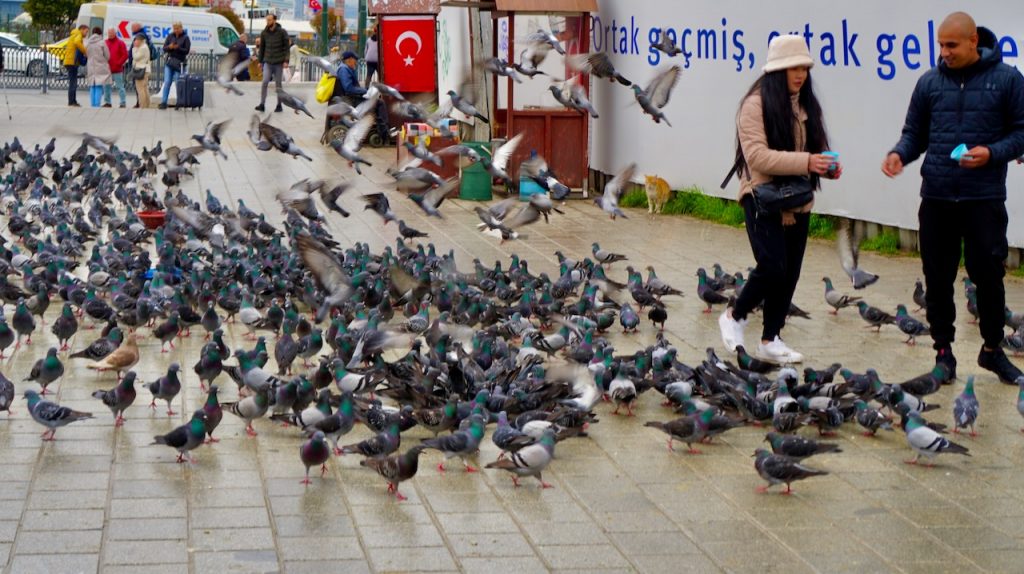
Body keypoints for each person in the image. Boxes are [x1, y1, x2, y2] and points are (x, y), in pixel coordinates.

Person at [883, 12, 1024, 384]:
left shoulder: (1007, 80)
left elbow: (1022, 133)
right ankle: (943, 355)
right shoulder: (929, 83)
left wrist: (992, 153)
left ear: (974, 40)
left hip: (984, 198)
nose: (944, 52)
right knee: (938, 279)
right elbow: (915, 133)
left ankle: (993, 350)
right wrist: (900, 153)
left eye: (952, 45)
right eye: (941, 45)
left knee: (989, 277)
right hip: (938, 197)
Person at [718, 35, 840, 364]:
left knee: (790, 274)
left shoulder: (806, 103)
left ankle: (771, 339)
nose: (800, 74)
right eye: (792, 68)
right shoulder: (754, 104)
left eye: (804, 67)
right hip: (761, 198)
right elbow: (756, 157)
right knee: (772, 267)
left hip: (797, 200)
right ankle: (734, 315)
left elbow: (813, 151)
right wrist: (807, 163)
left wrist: (825, 167)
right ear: (776, 71)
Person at [256, 14, 289, 112]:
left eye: (269, 20)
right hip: (268, 62)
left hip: (278, 62)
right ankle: (262, 104)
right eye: (267, 20)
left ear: (274, 20)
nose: (268, 22)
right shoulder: (264, 33)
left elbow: (287, 48)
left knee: (278, 84)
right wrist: (260, 61)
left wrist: (286, 60)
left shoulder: (282, 32)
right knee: (265, 81)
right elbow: (262, 48)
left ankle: (279, 105)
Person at [159, 22, 191, 110]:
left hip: (179, 64)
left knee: (178, 83)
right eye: (174, 28)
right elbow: (164, 48)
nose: (176, 30)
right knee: (167, 82)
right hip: (170, 62)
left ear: (181, 28)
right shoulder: (170, 36)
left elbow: (187, 51)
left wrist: (178, 48)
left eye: (177, 28)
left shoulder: (186, 38)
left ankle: (179, 102)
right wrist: (170, 47)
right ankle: (164, 102)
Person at [63, 24, 89, 107]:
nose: (86, 34)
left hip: (69, 61)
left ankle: (72, 100)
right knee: (73, 82)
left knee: (72, 82)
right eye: (86, 31)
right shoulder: (78, 35)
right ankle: (72, 101)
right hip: (72, 62)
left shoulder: (74, 34)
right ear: (82, 29)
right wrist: (85, 51)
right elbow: (77, 42)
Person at [85, 27, 111, 108]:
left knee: (92, 85)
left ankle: (92, 104)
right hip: (100, 66)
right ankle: (97, 104)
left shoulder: (88, 43)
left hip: (91, 66)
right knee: (99, 85)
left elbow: (86, 54)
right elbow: (107, 55)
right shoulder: (102, 42)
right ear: (100, 33)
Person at [104, 28, 128, 108]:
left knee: (120, 87)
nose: (110, 34)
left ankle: (123, 102)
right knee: (106, 87)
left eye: (111, 32)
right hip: (107, 69)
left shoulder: (120, 43)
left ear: (115, 33)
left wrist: (119, 63)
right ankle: (107, 102)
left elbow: (125, 55)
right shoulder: (105, 43)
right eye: (109, 32)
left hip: (117, 69)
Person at [130, 34, 151, 109]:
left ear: (140, 40)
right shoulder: (144, 46)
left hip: (141, 70)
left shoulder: (142, 48)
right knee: (145, 88)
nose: (134, 42)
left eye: (136, 40)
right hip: (144, 69)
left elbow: (136, 57)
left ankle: (143, 105)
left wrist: (134, 48)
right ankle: (147, 105)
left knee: (140, 89)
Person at [363, 24, 379, 88]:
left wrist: (365, 58)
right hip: (378, 60)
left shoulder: (369, 40)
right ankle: (380, 89)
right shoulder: (381, 40)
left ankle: (366, 89)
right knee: (381, 77)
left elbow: (365, 50)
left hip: (369, 59)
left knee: (369, 75)